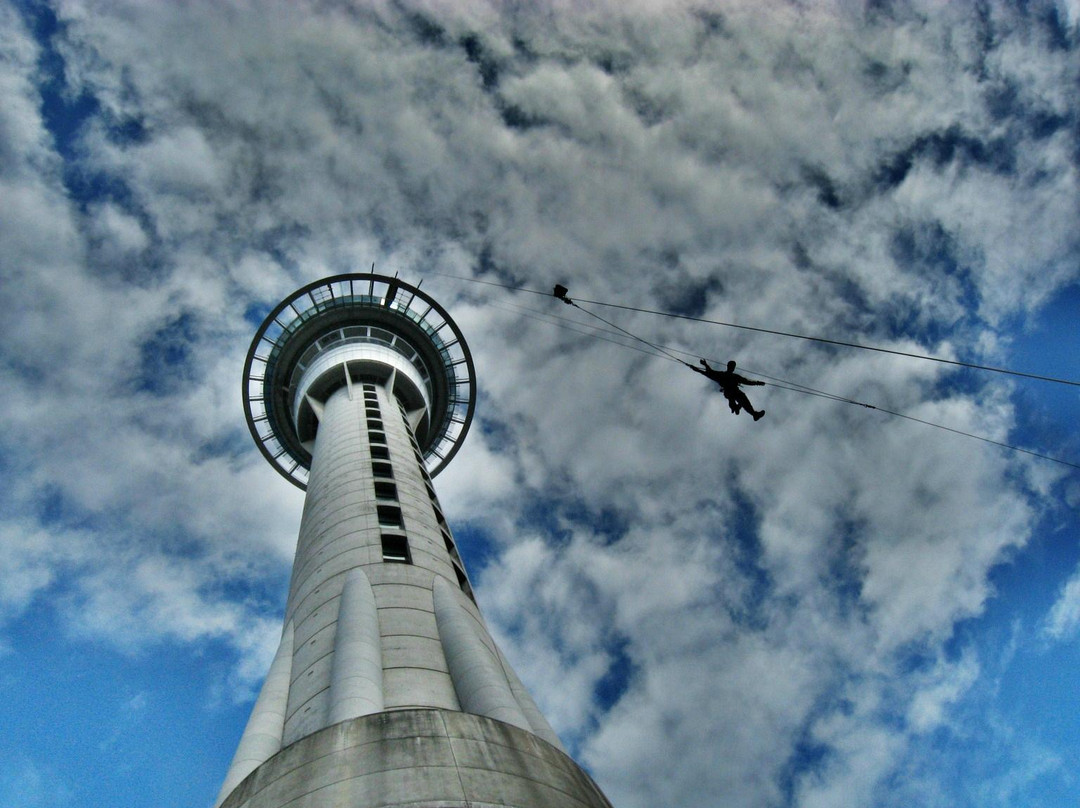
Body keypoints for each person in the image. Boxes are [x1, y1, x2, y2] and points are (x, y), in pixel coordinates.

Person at [689, 359, 766, 420]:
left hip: (735, 392)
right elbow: (710, 372)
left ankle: (751, 413)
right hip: (729, 392)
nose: (732, 368)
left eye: (733, 367)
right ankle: (736, 407)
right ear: (728, 366)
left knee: (743, 399)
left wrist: (757, 383)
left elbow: (747, 381)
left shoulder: (734, 376)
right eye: (732, 366)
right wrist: (703, 365)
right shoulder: (722, 375)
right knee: (733, 397)